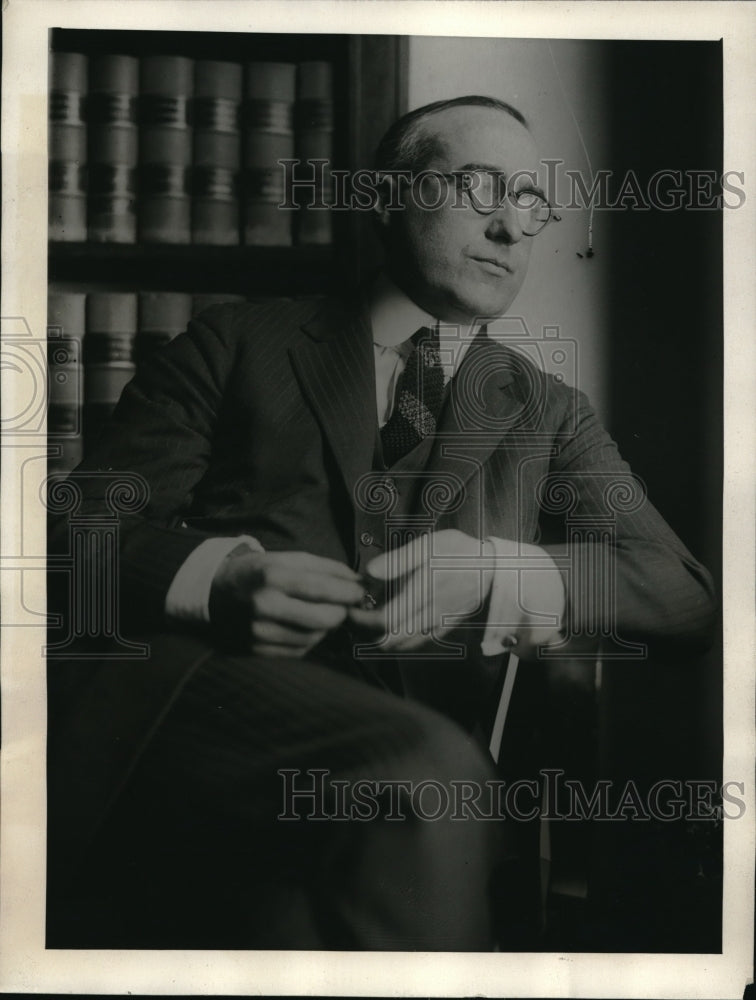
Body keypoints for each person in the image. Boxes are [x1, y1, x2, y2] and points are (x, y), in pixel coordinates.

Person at [46, 96, 715, 951]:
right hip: (214, 749)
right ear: (386, 196)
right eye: (481, 188)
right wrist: (217, 579)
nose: (513, 226)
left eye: (534, 203)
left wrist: (505, 573)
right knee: (408, 789)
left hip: (407, 819)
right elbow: (76, 543)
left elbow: (685, 598)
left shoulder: (550, 414)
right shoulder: (238, 343)